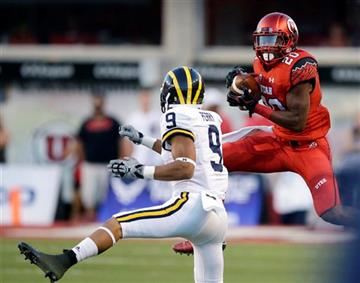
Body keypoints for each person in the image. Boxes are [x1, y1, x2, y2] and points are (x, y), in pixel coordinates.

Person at [18, 66, 228, 283]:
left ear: (171, 93)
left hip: (192, 205)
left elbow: (185, 167)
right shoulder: (210, 118)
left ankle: (65, 260)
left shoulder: (177, 114)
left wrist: (139, 171)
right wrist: (142, 139)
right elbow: (178, 151)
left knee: (118, 224)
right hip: (217, 216)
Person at [173, 12, 360, 255]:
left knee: (331, 212)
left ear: (289, 40)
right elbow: (260, 84)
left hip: (309, 147)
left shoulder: (301, 67)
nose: (267, 47)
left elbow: (297, 120)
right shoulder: (260, 63)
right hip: (277, 141)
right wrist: (241, 86)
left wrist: (255, 106)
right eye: (263, 40)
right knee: (212, 162)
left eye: (274, 40)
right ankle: (207, 234)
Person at [76, 93, 130, 221]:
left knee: (104, 194)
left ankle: (102, 217)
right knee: (88, 194)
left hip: (108, 164)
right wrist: (81, 160)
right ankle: (90, 216)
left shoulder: (113, 122)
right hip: (90, 164)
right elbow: (79, 143)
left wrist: (121, 160)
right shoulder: (86, 123)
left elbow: (121, 141)